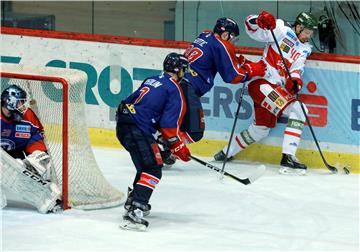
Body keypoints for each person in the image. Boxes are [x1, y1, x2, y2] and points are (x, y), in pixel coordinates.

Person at [214, 11, 318, 175]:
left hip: (275, 90)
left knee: (260, 130)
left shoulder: (305, 48)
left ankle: (226, 153)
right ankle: (288, 157)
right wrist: (258, 20)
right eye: (307, 32)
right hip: (261, 83)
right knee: (299, 109)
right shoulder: (281, 29)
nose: (308, 36)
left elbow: (297, 69)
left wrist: (295, 81)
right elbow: (251, 28)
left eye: (311, 33)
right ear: (298, 27)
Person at [160, 17, 267, 167]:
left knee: (179, 124)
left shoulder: (205, 35)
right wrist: (252, 71)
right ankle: (167, 148)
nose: (233, 42)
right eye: (232, 38)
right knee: (195, 131)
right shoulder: (221, 45)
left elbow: (219, 58)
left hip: (176, 84)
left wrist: (240, 62)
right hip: (187, 87)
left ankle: (162, 146)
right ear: (225, 35)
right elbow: (232, 76)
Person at [116, 53, 191, 231]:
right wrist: (179, 147)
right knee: (153, 168)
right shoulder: (174, 89)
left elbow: (132, 102)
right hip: (138, 128)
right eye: (183, 69)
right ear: (178, 70)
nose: (184, 73)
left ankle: (133, 201)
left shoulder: (152, 79)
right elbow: (168, 126)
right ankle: (136, 209)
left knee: (146, 165)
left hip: (123, 124)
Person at [1, 84, 62, 213]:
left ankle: (46, 198)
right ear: (10, 102)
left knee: (40, 162)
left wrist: (35, 157)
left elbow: (35, 137)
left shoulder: (28, 116)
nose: (23, 106)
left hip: (15, 156)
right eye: (20, 103)